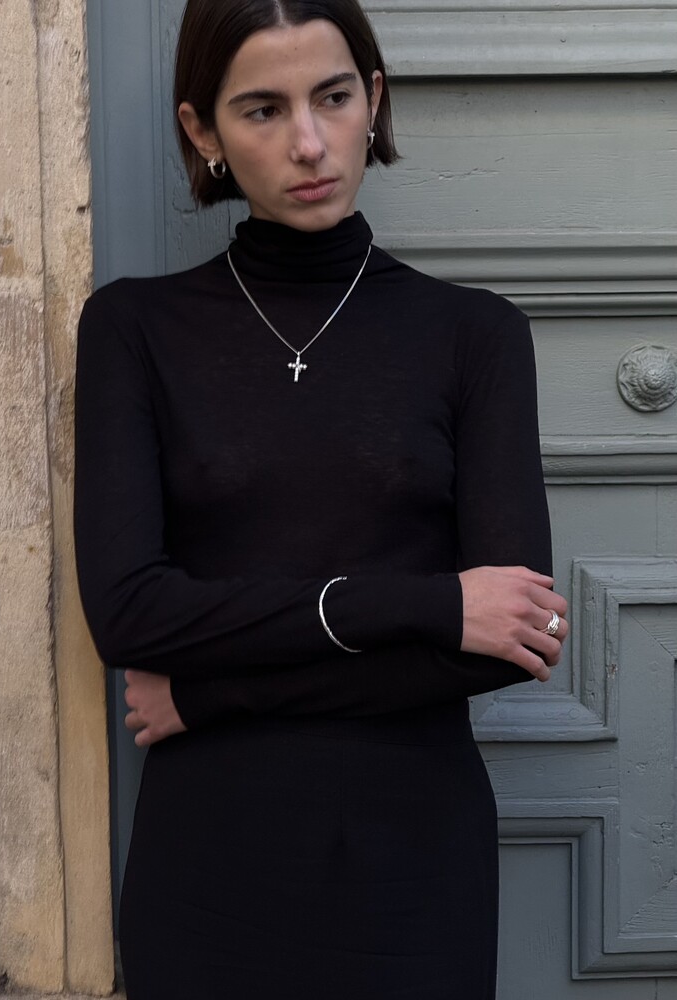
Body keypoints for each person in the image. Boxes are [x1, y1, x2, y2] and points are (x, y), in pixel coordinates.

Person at [74, 1, 569, 997]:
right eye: (262, 110)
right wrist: (430, 604)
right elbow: (129, 613)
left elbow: (509, 639)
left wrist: (210, 691)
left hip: (413, 862)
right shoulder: (134, 329)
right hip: (209, 864)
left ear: (372, 100)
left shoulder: (474, 335)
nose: (309, 143)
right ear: (202, 130)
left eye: (333, 98)